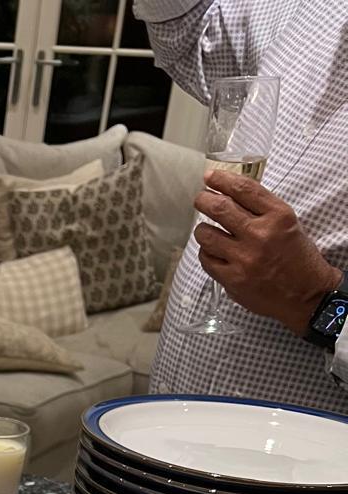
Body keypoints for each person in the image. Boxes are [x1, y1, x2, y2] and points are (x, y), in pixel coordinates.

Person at [136, 0, 348, 410]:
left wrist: (318, 301)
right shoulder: (310, 9)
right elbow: (186, 37)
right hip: (169, 418)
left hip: (294, 464)